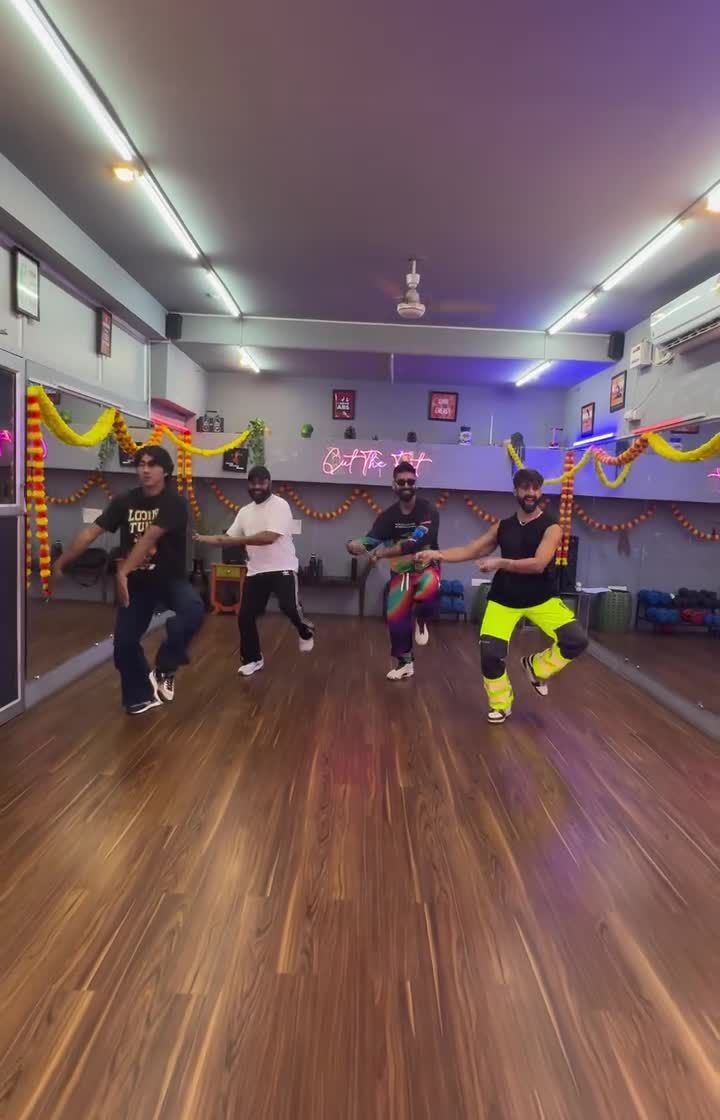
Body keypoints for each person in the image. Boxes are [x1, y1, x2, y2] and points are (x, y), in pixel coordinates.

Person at [417, 468, 588, 723]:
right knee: (490, 655)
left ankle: (537, 667)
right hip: (503, 599)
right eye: (525, 488)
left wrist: (500, 562)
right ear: (516, 491)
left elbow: (538, 564)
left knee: (575, 640)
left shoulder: (552, 527)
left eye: (535, 488)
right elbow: (471, 550)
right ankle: (501, 704)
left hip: (542, 599)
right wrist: (437, 554)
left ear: (540, 492)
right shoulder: (503, 526)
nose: (531, 493)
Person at [52, 446, 204, 715]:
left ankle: (165, 666)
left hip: (168, 579)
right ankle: (140, 695)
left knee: (193, 610)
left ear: (166, 471)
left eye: (152, 465)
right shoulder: (125, 501)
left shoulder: (174, 503)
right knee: (124, 644)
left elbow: (149, 538)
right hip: (137, 584)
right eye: (141, 464)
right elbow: (90, 533)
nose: (145, 469)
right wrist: (61, 562)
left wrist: (122, 572)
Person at [194, 465, 314, 676]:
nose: (257, 487)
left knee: (288, 607)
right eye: (253, 483)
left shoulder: (280, 505)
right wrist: (202, 538)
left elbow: (268, 537)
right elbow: (227, 538)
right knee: (245, 616)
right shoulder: (244, 512)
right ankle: (253, 659)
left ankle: (305, 631)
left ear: (269, 483)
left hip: (283, 567)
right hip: (256, 571)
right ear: (248, 485)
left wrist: (238, 540)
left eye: (262, 482)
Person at [347, 460, 440, 680]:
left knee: (428, 593)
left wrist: (382, 553)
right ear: (394, 485)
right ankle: (405, 663)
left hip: (426, 566)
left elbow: (415, 542)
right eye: (402, 482)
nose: (406, 485)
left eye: (410, 481)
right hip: (401, 571)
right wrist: (353, 545)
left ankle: (421, 620)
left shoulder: (428, 510)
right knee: (396, 617)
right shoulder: (388, 516)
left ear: (416, 484)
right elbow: (370, 540)